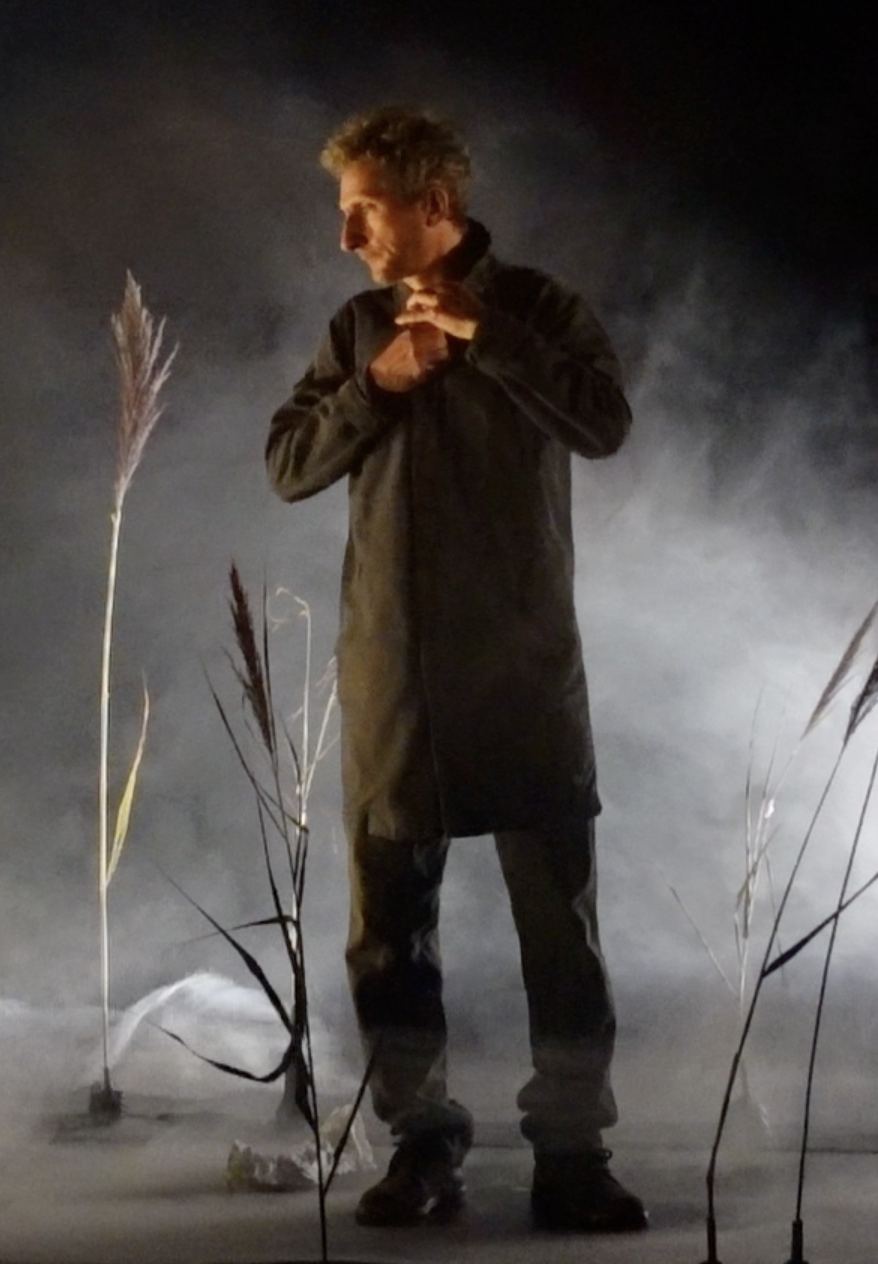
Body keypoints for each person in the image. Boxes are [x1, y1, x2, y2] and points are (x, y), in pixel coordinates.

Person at [266, 105, 645, 1233]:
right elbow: (287, 464)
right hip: (393, 678)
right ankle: (420, 1145)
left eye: (362, 211)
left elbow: (603, 424)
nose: (346, 237)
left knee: (560, 935)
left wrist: (488, 336)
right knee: (389, 933)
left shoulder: (538, 309)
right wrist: (379, 381)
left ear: (432, 205)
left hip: (522, 674)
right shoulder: (357, 328)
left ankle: (572, 1154)